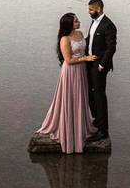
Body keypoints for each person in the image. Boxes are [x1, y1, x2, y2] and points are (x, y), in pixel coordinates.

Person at [36, 13, 98, 153]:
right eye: (76, 21)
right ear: (69, 23)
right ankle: (68, 130)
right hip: (70, 72)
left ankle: (80, 127)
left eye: (77, 20)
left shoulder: (81, 33)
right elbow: (68, 60)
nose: (79, 22)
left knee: (80, 98)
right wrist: (86, 59)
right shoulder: (64, 39)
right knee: (69, 98)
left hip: (81, 71)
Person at [85, 0, 116, 142]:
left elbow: (111, 48)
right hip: (89, 64)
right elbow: (90, 40)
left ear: (99, 9)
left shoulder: (108, 25)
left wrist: (101, 65)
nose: (89, 12)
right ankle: (97, 121)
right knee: (90, 95)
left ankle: (103, 131)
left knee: (99, 96)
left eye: (91, 9)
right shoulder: (94, 21)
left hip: (99, 67)